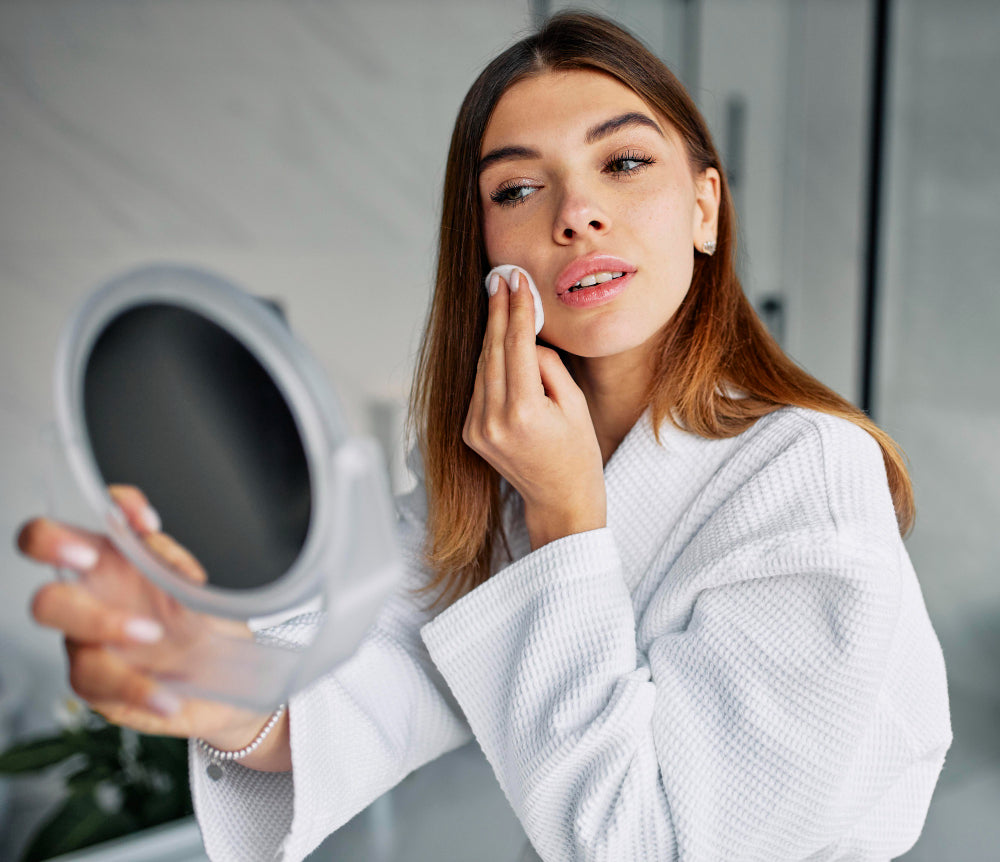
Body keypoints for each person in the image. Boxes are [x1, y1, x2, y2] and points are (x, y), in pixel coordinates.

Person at [18, 12, 951, 862]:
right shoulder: (499, 475)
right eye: (517, 188)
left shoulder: (806, 471)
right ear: (486, 247)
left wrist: (568, 515)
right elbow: (355, 679)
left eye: (623, 164)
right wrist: (216, 678)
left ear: (705, 207)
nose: (575, 213)